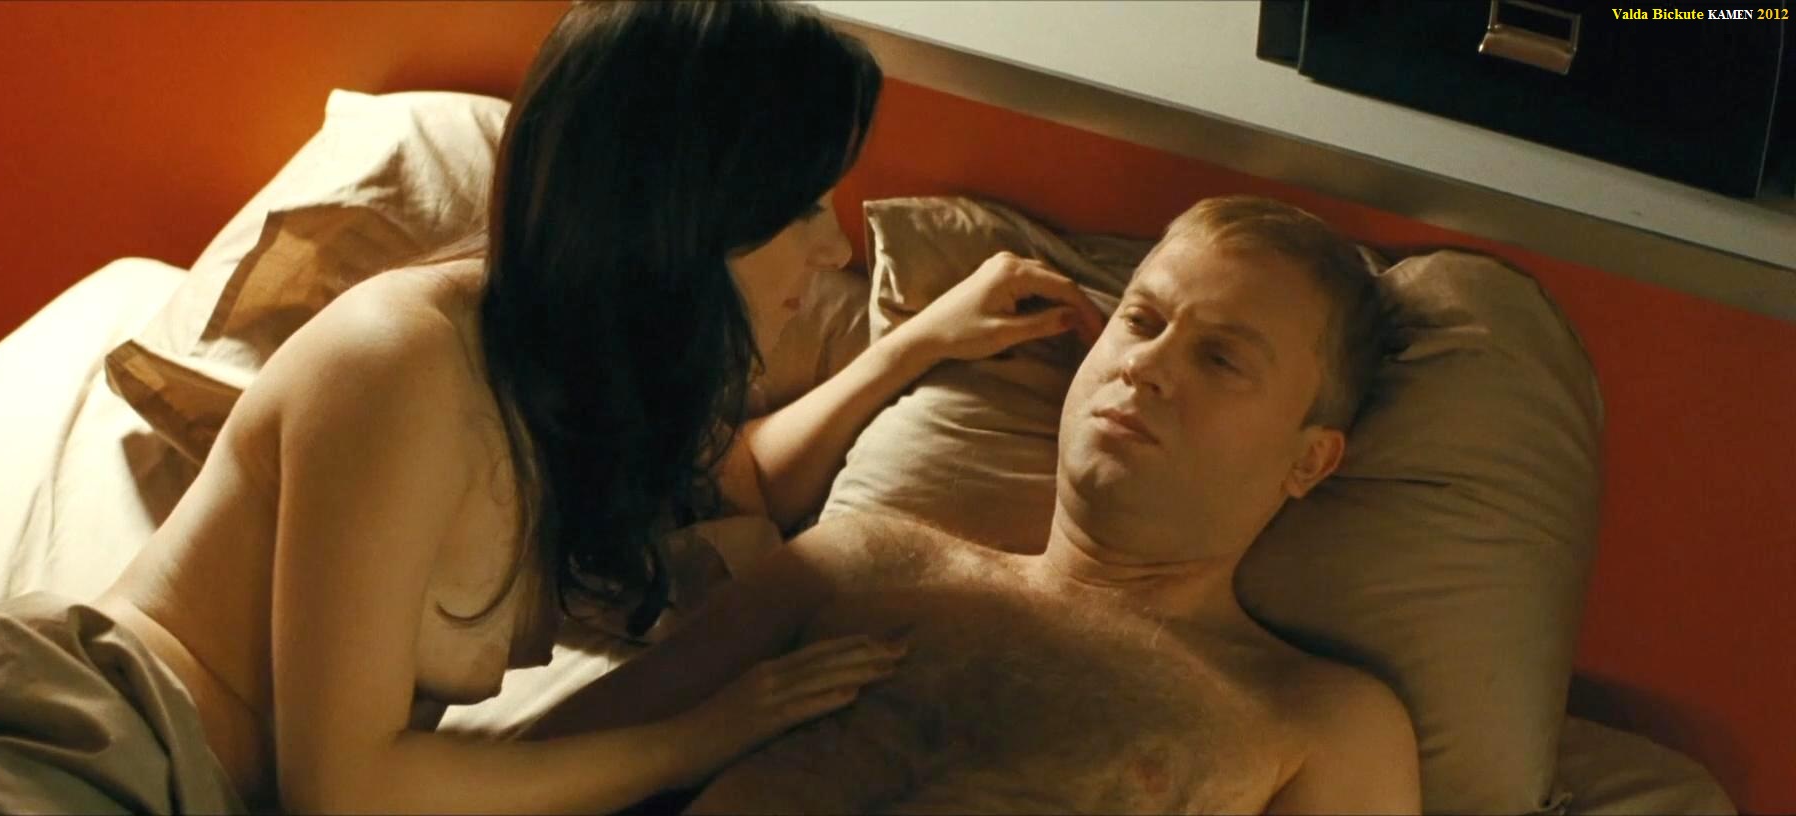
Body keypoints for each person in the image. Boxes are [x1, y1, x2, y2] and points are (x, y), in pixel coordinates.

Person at [0, 2, 1107, 814]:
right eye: (801, 211)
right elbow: (343, 791)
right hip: (94, 747)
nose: (833, 249)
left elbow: (737, 485)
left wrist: (915, 345)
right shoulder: (403, 369)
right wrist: (702, 733)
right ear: (687, 223)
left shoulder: (594, 381)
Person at [523, 196, 1421, 814]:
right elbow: (529, 779)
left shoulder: (1318, 722)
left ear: (1309, 460)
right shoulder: (865, 563)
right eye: (1141, 321)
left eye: (1221, 359)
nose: (1144, 365)